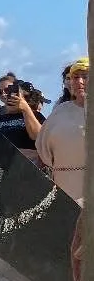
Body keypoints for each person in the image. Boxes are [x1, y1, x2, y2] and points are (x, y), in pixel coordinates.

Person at [38, 57, 88, 204]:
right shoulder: (59, 111)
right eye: (75, 77)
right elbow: (43, 150)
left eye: (85, 76)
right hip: (62, 189)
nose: (79, 81)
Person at [0, 72, 46, 163]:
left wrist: (25, 109)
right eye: (0, 92)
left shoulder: (35, 115)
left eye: (8, 90)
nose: (4, 94)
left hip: (28, 168)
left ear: (18, 91)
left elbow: (38, 137)